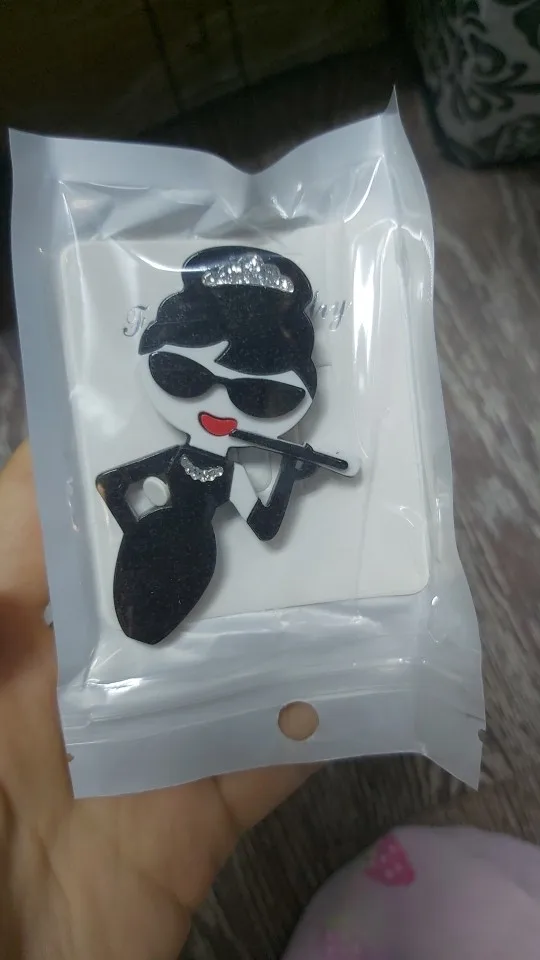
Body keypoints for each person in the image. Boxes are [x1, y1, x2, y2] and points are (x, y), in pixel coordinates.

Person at [0, 442, 314, 959]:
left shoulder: (229, 471)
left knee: (149, 634)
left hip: (188, 555)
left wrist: (289, 477)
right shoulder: (191, 457)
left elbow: (263, 526)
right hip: (164, 547)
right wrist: (137, 534)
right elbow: (110, 484)